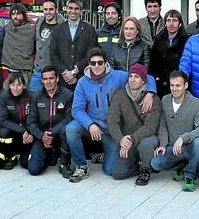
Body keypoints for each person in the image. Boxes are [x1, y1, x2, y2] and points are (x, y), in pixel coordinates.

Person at [66, 48, 157, 183]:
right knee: (71, 129)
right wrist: (90, 124)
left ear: (106, 63)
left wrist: (150, 92)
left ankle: (105, 156)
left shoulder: (118, 76)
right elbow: (77, 109)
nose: (96, 66)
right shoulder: (82, 82)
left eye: (100, 62)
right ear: (88, 64)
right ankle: (81, 166)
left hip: (112, 129)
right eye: (93, 63)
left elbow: (146, 77)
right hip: (91, 123)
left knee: (109, 170)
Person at [149, 71, 199, 192]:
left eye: (178, 85)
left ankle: (190, 175)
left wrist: (183, 138)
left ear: (185, 86)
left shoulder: (196, 104)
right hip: (173, 148)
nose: (174, 89)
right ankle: (183, 165)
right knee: (155, 163)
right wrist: (163, 144)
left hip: (190, 146)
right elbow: (163, 125)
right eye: (172, 85)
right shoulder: (165, 100)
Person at [107, 64, 161, 185]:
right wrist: (121, 140)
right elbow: (112, 121)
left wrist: (132, 138)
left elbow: (150, 127)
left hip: (146, 137)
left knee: (146, 144)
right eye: (131, 76)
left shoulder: (153, 99)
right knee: (117, 173)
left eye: (137, 76)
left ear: (143, 81)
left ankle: (145, 170)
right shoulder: (119, 95)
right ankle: (136, 165)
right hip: (127, 138)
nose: (132, 79)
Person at [26, 65, 73, 177]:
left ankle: (64, 163)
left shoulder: (67, 95)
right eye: (45, 79)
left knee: (69, 130)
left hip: (59, 135)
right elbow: (30, 122)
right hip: (42, 137)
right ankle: (50, 154)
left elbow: (69, 118)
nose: (48, 82)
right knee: (33, 170)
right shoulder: (36, 97)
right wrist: (42, 135)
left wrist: (52, 133)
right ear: (42, 80)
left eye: (51, 78)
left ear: (57, 79)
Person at [50, 0, 98, 90]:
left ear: (80, 11)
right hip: (62, 79)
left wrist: (74, 72)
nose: (73, 11)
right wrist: (65, 72)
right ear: (66, 10)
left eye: (76, 9)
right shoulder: (58, 29)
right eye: (70, 8)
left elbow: (91, 53)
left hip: (82, 77)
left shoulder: (90, 30)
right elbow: (53, 53)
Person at [0, 72, 34, 170]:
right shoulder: (3, 97)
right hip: (13, 131)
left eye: (19, 85)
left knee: (25, 164)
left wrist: (31, 134)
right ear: (9, 85)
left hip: (28, 133)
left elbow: (34, 117)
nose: (15, 88)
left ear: (24, 86)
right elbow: (2, 119)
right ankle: (11, 156)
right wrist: (22, 131)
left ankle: (25, 154)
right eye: (12, 85)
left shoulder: (31, 96)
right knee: (3, 132)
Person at [150, 9, 190, 97]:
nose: (171, 24)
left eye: (174, 20)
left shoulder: (186, 41)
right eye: (168, 20)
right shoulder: (158, 40)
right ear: (165, 23)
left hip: (179, 83)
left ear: (180, 24)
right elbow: (153, 63)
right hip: (161, 83)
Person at [30, 0, 65, 93]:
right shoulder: (39, 22)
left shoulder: (63, 26)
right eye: (45, 9)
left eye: (51, 9)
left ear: (56, 10)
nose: (48, 12)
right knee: (33, 100)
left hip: (52, 73)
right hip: (37, 72)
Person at [2, 3, 35, 87]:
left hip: (25, 73)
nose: (15, 17)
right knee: (6, 97)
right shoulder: (7, 27)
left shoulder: (32, 29)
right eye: (13, 14)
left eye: (18, 14)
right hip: (9, 73)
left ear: (24, 15)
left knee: (24, 99)